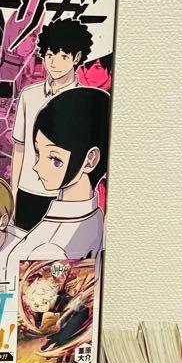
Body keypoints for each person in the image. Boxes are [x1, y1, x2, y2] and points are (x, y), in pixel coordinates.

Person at [11, 19, 94, 229]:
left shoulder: (85, 101)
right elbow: (19, 148)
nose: (54, 63)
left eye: (63, 56)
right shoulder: (29, 96)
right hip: (28, 190)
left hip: (66, 193)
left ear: (76, 58)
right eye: (49, 55)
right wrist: (13, 192)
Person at [19, 87, 111, 261]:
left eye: (55, 159)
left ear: (90, 160)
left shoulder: (52, 245)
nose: (37, 167)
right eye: (38, 153)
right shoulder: (96, 216)